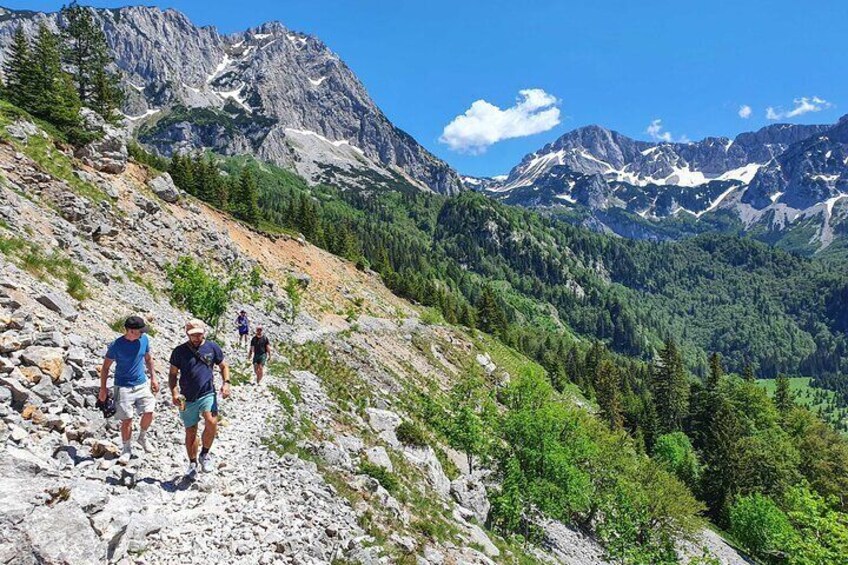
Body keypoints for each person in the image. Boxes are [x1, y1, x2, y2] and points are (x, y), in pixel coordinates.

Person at [168, 319, 230, 476]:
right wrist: (174, 392)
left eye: (199, 334)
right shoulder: (179, 351)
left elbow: (223, 366)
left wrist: (226, 383)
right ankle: (193, 462)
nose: (196, 337)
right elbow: (173, 374)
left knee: (211, 421)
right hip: (187, 397)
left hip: (207, 392)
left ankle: (205, 454)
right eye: (192, 335)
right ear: (187, 334)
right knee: (191, 430)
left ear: (204, 332)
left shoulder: (212, 347)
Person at [99, 315, 159, 465]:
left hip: (141, 384)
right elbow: (106, 367)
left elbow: (148, 359)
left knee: (149, 411)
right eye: (140, 331)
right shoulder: (116, 346)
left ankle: (142, 437)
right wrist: (103, 389)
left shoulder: (144, 340)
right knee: (127, 420)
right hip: (123, 386)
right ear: (131, 331)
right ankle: (126, 449)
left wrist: (153, 378)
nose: (143, 333)